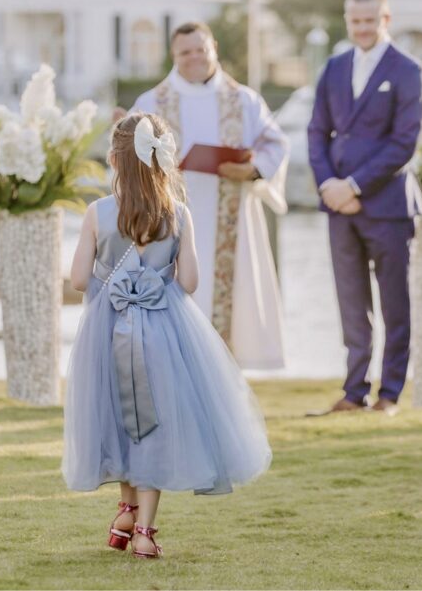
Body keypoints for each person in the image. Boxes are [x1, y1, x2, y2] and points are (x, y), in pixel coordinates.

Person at [62, 113, 271, 558]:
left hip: (108, 334)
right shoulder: (177, 214)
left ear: (115, 161)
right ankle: (143, 531)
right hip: (164, 333)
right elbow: (190, 281)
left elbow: (79, 279)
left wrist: (108, 271)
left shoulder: (98, 213)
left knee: (119, 420)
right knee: (153, 426)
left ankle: (126, 508)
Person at [131, 21, 289, 371]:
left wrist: (253, 169)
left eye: (200, 49)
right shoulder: (152, 102)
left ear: (213, 47)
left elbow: (275, 142)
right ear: (174, 56)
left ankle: (225, 380)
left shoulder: (243, 100)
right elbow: (127, 157)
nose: (194, 58)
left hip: (230, 221)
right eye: (185, 52)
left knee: (229, 303)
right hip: (168, 221)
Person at [307, 0, 422, 414]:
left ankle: (389, 393)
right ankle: (353, 391)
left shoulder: (406, 70)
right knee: (351, 302)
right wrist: (329, 187)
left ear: (385, 20)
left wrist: (353, 185)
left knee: (395, 303)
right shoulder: (334, 67)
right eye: (354, 21)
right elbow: (316, 132)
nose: (362, 28)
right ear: (347, 21)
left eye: (369, 21)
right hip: (338, 207)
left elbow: (404, 142)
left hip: (389, 206)